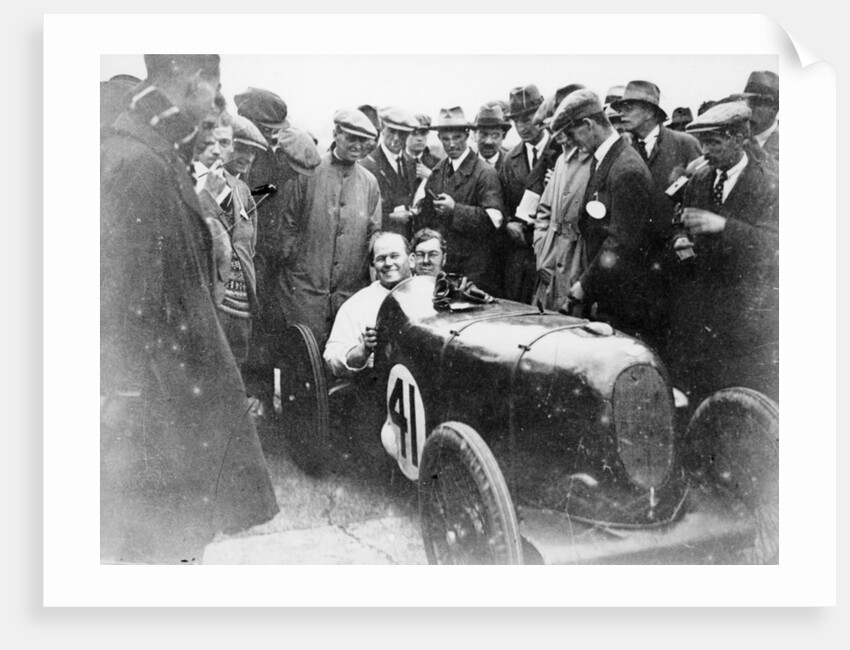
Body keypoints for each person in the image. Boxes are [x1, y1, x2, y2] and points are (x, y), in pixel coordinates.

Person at [100, 54, 278, 564]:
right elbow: (125, 304)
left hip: (168, 401)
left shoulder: (150, 155)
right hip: (159, 414)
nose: (219, 104)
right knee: (162, 554)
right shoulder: (141, 165)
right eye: (214, 89)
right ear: (188, 81)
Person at [666, 101, 779, 403]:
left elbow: (773, 245)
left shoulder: (769, 184)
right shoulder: (701, 178)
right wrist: (680, 240)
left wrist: (724, 226)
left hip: (743, 316)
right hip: (701, 310)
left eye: (713, 143)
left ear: (739, 139)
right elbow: (680, 220)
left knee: (735, 397)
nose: (704, 151)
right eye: (702, 142)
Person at [552, 88, 662, 341]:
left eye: (571, 133)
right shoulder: (606, 160)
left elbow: (621, 242)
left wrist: (585, 286)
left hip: (625, 301)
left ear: (589, 125)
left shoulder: (626, 169)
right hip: (609, 291)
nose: (570, 141)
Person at [278, 109, 381, 348]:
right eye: (351, 138)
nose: (357, 145)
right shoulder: (309, 171)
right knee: (304, 362)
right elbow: (287, 226)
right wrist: (298, 264)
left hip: (348, 296)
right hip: (305, 293)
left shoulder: (369, 182)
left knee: (343, 362)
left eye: (363, 141)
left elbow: (373, 231)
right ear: (336, 134)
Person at [195, 114, 268, 369]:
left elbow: (249, 245)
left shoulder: (242, 190)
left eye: (226, 143)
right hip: (210, 305)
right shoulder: (190, 181)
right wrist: (207, 197)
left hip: (242, 307)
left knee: (236, 376)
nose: (219, 150)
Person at [419, 106, 504, 296]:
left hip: (475, 273)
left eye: (456, 138)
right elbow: (427, 218)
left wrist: (455, 210)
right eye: (446, 139)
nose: (451, 144)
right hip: (444, 270)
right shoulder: (438, 171)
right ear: (439, 138)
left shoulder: (485, 173)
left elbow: (494, 222)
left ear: (467, 136)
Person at [531, 94, 595, 311]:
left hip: (578, 266)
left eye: (558, 128)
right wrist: (542, 249)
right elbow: (544, 211)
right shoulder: (561, 160)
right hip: (550, 266)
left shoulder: (594, 160)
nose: (555, 135)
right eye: (550, 129)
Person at [323, 232, 414, 378]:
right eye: (381, 259)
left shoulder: (430, 292)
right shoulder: (357, 305)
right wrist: (363, 351)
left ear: (412, 260)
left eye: (395, 256)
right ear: (374, 265)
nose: (388, 263)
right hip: (376, 386)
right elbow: (331, 359)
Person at [500, 84, 549, 303]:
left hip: (550, 252)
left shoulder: (561, 152)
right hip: (520, 255)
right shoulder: (510, 160)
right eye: (516, 120)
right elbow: (500, 201)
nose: (522, 126)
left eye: (528, 118)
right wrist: (508, 222)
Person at [360, 106, 420, 238]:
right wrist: (390, 217)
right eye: (392, 131)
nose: (396, 138)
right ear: (382, 128)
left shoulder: (411, 164)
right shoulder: (366, 166)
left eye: (403, 133)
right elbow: (360, 215)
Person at [472, 104, 511, 171]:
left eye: (495, 136)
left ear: (503, 136)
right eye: (483, 135)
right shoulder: (465, 164)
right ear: (474, 135)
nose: (488, 142)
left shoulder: (512, 164)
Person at [405, 114, 442, 182]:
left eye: (423, 133)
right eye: (414, 133)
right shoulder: (397, 161)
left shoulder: (437, 163)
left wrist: (431, 176)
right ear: (405, 135)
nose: (419, 138)